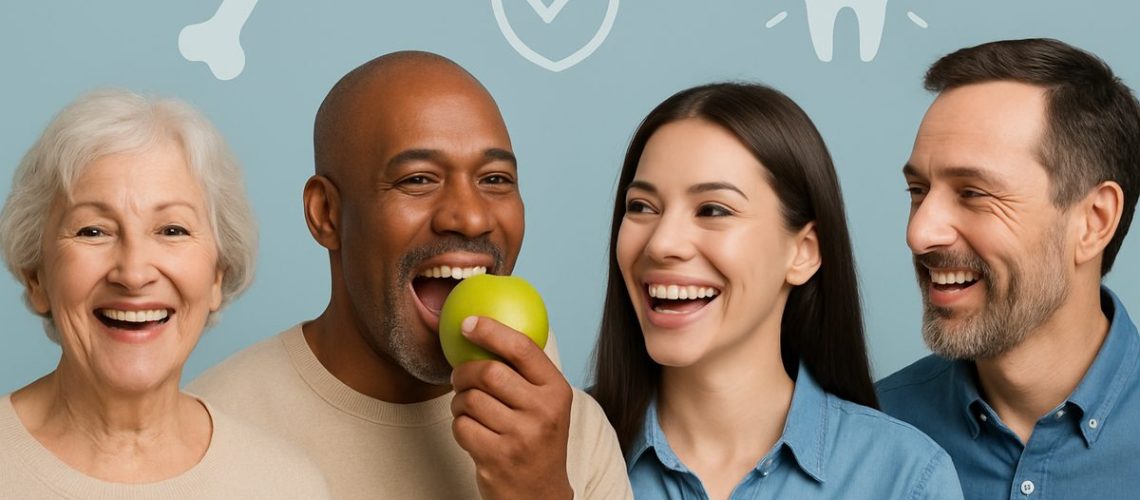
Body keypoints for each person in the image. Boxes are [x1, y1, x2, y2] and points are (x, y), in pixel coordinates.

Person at [188, 51, 632, 499]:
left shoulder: (568, 430)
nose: (472, 217)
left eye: (495, 179)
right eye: (418, 180)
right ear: (326, 214)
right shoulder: (206, 437)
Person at [591, 82, 964, 499]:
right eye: (642, 207)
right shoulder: (561, 448)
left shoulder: (905, 477)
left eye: (713, 210)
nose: (661, 243)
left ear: (802, 252)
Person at [0, 89, 329, 498]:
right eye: (93, 231)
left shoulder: (285, 486)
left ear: (216, 277)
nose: (134, 273)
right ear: (36, 278)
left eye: (172, 230)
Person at [878, 38, 1140, 499]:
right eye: (918, 191)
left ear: (1093, 220)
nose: (919, 233)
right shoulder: (866, 433)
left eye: (973, 193)